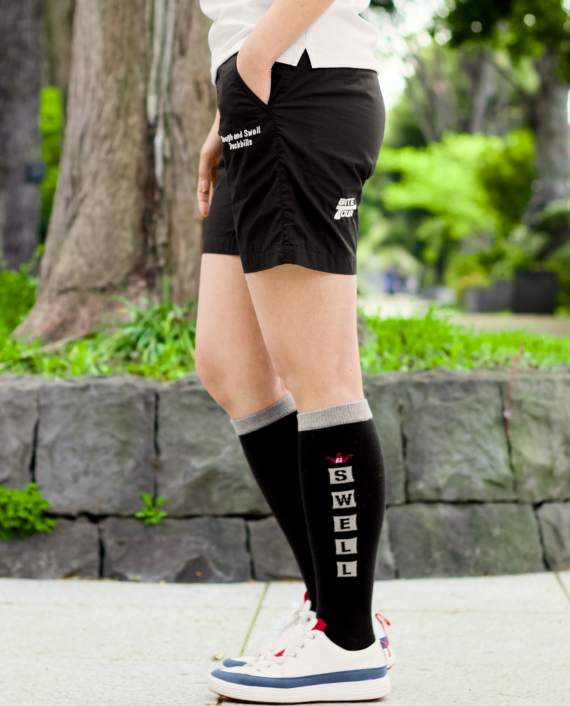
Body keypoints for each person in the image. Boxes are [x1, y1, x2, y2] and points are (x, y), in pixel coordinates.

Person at [194, 0, 388, 701]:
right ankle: (329, 606)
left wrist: (256, 60)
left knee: (321, 374)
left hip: (294, 79)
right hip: (256, 92)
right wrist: (227, 106)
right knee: (232, 367)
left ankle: (347, 640)